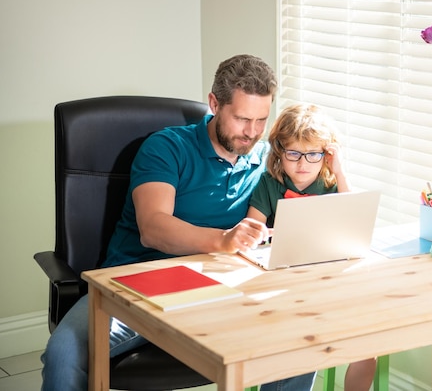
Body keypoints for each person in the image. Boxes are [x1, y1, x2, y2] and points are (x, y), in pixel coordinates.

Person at [40, 54, 315, 391]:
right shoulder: (167, 147)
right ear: (214, 103)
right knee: (64, 354)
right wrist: (224, 240)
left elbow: (315, 202)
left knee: (300, 340)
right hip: (139, 284)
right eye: (242, 118)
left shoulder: (265, 160)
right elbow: (154, 228)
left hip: (221, 288)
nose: (252, 133)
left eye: (261, 120)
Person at [246, 103, 377, 391]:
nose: (302, 164)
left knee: (367, 347)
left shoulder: (330, 184)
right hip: (286, 284)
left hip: (330, 282)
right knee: (295, 342)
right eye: (293, 153)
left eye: (313, 154)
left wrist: (340, 171)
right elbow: (250, 230)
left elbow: (353, 221)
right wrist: (269, 233)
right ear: (280, 152)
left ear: (326, 155)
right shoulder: (270, 184)